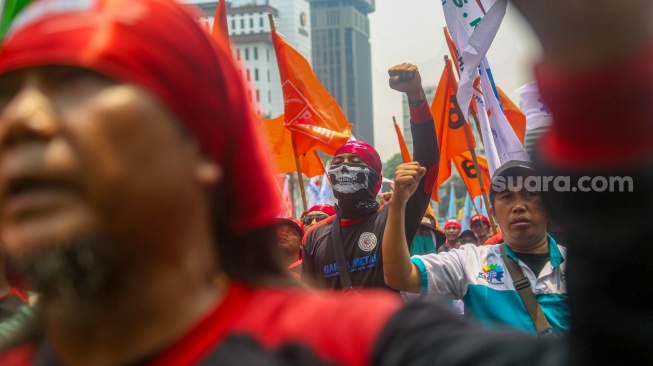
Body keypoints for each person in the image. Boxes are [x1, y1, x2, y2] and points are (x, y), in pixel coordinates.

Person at [383, 160, 569, 337]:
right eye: (506, 197)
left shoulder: (578, 266)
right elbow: (399, 276)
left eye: (530, 194)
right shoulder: (470, 262)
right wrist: (398, 204)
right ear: (493, 213)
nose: (519, 206)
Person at [301, 63, 439, 291]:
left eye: (355, 163)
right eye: (337, 163)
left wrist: (416, 97)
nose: (344, 168)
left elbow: (428, 163)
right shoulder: (315, 237)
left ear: (376, 178)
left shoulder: (396, 216)